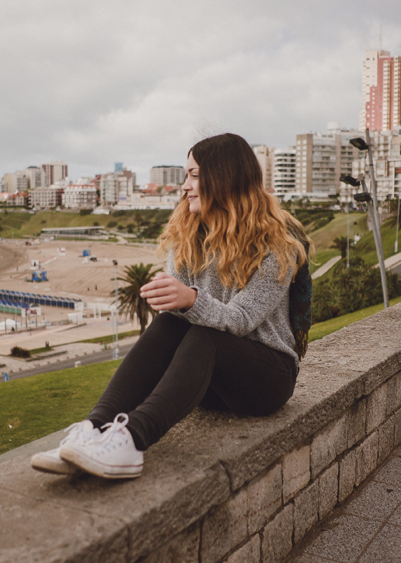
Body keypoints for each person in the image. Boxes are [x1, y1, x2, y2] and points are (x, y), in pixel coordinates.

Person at [30, 133, 311, 479]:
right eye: (186, 175)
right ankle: (94, 428)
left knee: (205, 336)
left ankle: (131, 440)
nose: (185, 186)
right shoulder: (187, 234)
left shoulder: (275, 245)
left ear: (223, 178)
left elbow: (241, 320)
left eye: (194, 175)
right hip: (210, 382)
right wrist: (177, 300)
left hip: (266, 379)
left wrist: (191, 298)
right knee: (169, 324)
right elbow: (179, 317)